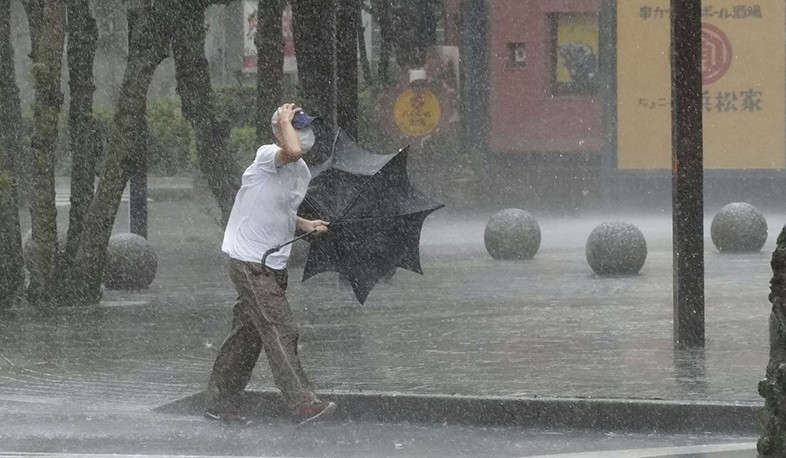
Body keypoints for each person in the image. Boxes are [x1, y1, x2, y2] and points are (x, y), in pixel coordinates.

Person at [204, 103, 336, 425]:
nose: (305, 134)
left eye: (306, 127)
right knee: (280, 328)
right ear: (278, 132)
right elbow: (290, 150)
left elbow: (281, 208)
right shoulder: (268, 156)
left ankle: (218, 402)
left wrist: (304, 224)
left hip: (273, 264)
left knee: (247, 335)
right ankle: (304, 403)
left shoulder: (300, 171)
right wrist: (283, 122)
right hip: (250, 262)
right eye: (296, 126)